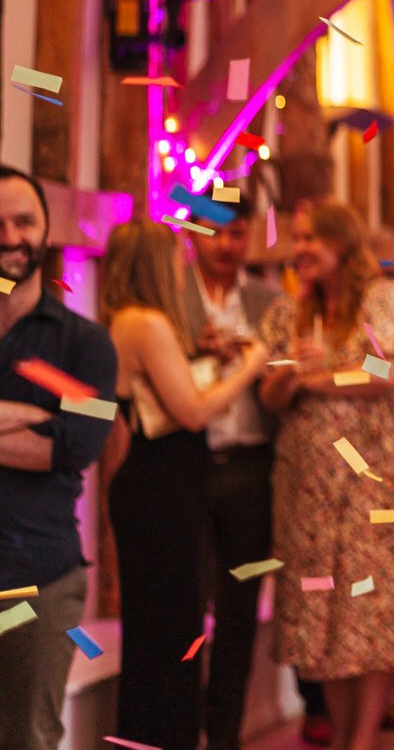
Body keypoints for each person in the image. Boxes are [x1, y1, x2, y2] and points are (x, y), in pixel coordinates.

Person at [259, 202, 394, 750]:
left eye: (311, 238)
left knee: (371, 604)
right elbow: (271, 395)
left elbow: (387, 373)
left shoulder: (389, 301)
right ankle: (340, 733)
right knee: (322, 610)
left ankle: (364, 737)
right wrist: (291, 376)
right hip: (306, 482)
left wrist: (315, 375)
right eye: (297, 238)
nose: (300, 249)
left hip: (370, 479)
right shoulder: (289, 313)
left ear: (341, 243)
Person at [102, 218, 271, 750]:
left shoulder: (128, 320)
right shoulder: (147, 323)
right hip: (160, 492)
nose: (183, 266)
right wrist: (250, 365)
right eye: (175, 257)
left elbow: (167, 396)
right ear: (157, 263)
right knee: (170, 636)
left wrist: (208, 360)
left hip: (155, 488)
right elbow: (193, 413)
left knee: (163, 632)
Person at [0, 166, 118, 750]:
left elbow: (79, 445)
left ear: (47, 230)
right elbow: (56, 437)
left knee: (27, 739)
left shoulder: (86, 344)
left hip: (39, 581)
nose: (11, 235)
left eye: (24, 221)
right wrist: (30, 414)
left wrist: (55, 434)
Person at [182, 210, 290, 750]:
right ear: (192, 234)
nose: (225, 244)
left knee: (240, 608)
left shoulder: (269, 302)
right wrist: (194, 350)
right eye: (213, 231)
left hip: (251, 467)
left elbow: (288, 382)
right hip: (189, 464)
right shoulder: (174, 296)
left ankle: (224, 734)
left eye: (236, 233)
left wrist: (267, 365)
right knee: (186, 601)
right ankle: (182, 722)